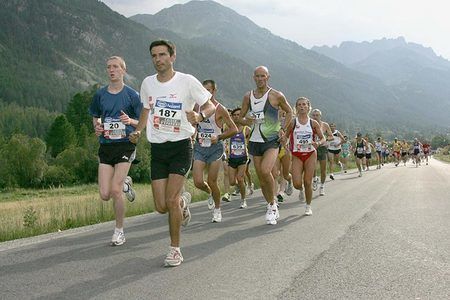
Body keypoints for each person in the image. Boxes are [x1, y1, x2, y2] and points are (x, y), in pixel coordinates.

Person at [130, 40, 216, 267]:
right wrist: (138, 131)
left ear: (172, 56)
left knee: (170, 199)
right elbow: (146, 110)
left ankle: (175, 250)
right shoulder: (148, 83)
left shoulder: (187, 81)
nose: (158, 59)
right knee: (161, 206)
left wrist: (200, 117)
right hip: (158, 148)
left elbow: (210, 106)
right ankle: (182, 205)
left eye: (162, 55)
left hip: (181, 146)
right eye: (154, 56)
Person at [89, 56, 142, 246]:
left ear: (123, 70)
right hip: (106, 145)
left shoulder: (132, 95)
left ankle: (119, 231)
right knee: (105, 194)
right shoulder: (100, 95)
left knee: (115, 190)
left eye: (115, 67)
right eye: (108, 67)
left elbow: (142, 121)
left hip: (125, 144)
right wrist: (97, 128)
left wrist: (131, 122)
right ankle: (126, 184)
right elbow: (96, 117)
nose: (111, 70)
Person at [238, 66, 293, 225]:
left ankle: (273, 202)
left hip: (271, 139)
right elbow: (239, 118)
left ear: (268, 77)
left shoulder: (276, 95)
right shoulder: (248, 97)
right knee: (262, 179)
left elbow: (289, 112)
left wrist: (283, 129)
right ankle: (271, 204)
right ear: (253, 78)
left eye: (263, 76)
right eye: (257, 76)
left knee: (265, 170)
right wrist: (250, 120)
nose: (260, 79)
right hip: (255, 141)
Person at [192, 80, 238, 223]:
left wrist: (218, 137)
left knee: (212, 180)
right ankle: (210, 193)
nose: (205, 93)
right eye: (203, 90)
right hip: (200, 146)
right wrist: (192, 134)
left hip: (215, 148)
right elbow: (193, 124)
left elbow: (234, 129)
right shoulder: (197, 106)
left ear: (213, 91)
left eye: (209, 90)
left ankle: (217, 209)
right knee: (198, 182)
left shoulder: (220, 108)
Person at [285, 97, 325, 215]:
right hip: (297, 154)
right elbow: (286, 137)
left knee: (308, 181)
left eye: (304, 104)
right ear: (296, 108)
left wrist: (318, 143)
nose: (302, 106)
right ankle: (300, 189)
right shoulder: (293, 122)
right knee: (297, 183)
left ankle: (308, 206)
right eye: (299, 105)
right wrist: (283, 141)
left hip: (310, 153)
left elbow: (323, 138)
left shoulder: (313, 123)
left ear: (308, 107)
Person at [228, 107, 251, 208]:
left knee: (240, 178)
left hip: (243, 157)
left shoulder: (247, 129)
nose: (237, 117)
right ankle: (242, 188)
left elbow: (250, 143)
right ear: (232, 117)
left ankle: (243, 200)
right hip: (232, 157)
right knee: (232, 182)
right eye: (234, 115)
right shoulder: (228, 128)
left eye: (239, 115)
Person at [310, 109, 333, 195]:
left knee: (323, 169)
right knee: (312, 167)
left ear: (320, 116)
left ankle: (322, 186)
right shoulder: (309, 124)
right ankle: (315, 179)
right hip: (313, 148)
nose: (315, 117)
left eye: (317, 115)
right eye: (314, 115)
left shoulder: (325, 125)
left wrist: (325, 139)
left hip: (322, 148)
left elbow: (331, 136)